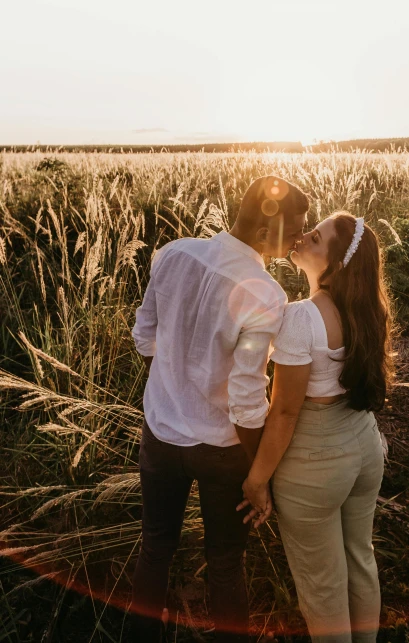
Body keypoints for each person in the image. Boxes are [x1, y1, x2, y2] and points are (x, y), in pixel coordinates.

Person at [128, 175, 309, 643]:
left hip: (160, 433)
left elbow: (143, 335)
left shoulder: (173, 254)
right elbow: (247, 399)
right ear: (268, 231)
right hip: (223, 449)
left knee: (155, 548)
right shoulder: (265, 294)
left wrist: (177, 377)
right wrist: (258, 469)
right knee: (226, 565)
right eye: (295, 231)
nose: (298, 242)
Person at [238, 212, 393, 643]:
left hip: (316, 462)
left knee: (323, 585)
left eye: (316, 237)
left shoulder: (302, 317)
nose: (303, 237)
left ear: (336, 265)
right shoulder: (367, 308)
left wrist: (256, 479)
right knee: (360, 558)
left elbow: (285, 413)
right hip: (363, 446)